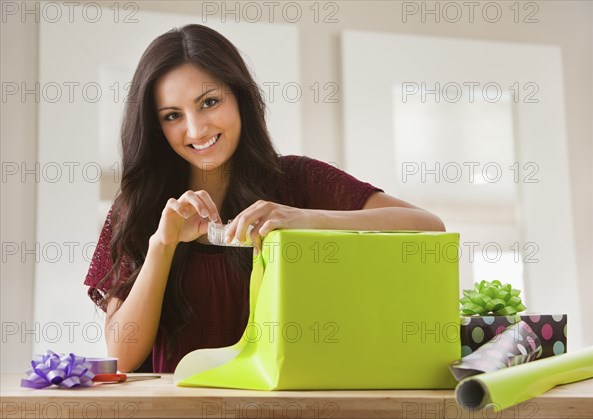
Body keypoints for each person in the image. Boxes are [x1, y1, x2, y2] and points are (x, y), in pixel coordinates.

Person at [84, 24, 445, 373]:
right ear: (155, 125)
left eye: (209, 102)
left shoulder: (299, 180)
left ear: (240, 97)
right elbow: (123, 356)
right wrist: (162, 246)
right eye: (173, 115)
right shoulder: (138, 207)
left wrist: (307, 218)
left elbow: (429, 228)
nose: (195, 130)